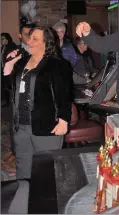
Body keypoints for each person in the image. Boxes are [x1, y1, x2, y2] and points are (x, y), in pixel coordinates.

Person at [3, 27, 72, 180]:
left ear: (46, 42)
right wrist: (9, 66)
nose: (29, 41)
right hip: (20, 125)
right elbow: (10, 89)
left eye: (35, 39)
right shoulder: (21, 63)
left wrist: (63, 120)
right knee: (23, 165)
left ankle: (46, 201)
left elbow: (64, 95)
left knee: (47, 167)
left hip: (46, 125)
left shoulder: (56, 64)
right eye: (29, 38)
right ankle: (25, 197)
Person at [1, 33, 17, 107]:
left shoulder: (12, 46)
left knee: (10, 86)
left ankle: (12, 102)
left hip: (11, 70)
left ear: (7, 39)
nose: (1, 40)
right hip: (4, 69)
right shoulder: (3, 47)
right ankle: (8, 102)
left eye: (2, 39)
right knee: (5, 85)